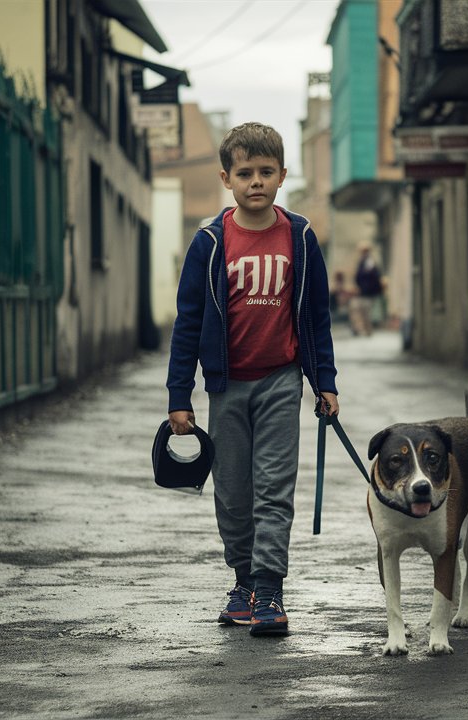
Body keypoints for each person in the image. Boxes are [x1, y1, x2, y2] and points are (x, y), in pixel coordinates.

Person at [165, 122, 340, 637]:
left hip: (281, 382)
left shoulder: (301, 237)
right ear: (227, 178)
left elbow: (316, 317)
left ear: (283, 176)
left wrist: (323, 380)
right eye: (245, 173)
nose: (256, 182)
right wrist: (180, 396)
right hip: (227, 387)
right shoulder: (211, 242)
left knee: (273, 490)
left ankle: (269, 590)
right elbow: (188, 323)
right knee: (233, 494)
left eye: (266, 172)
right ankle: (242, 581)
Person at [350, 244, 383, 336]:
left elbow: (372, 278)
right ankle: (363, 330)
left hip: (368, 293)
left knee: (366, 312)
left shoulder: (370, 262)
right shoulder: (362, 262)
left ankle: (368, 330)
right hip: (363, 292)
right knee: (361, 311)